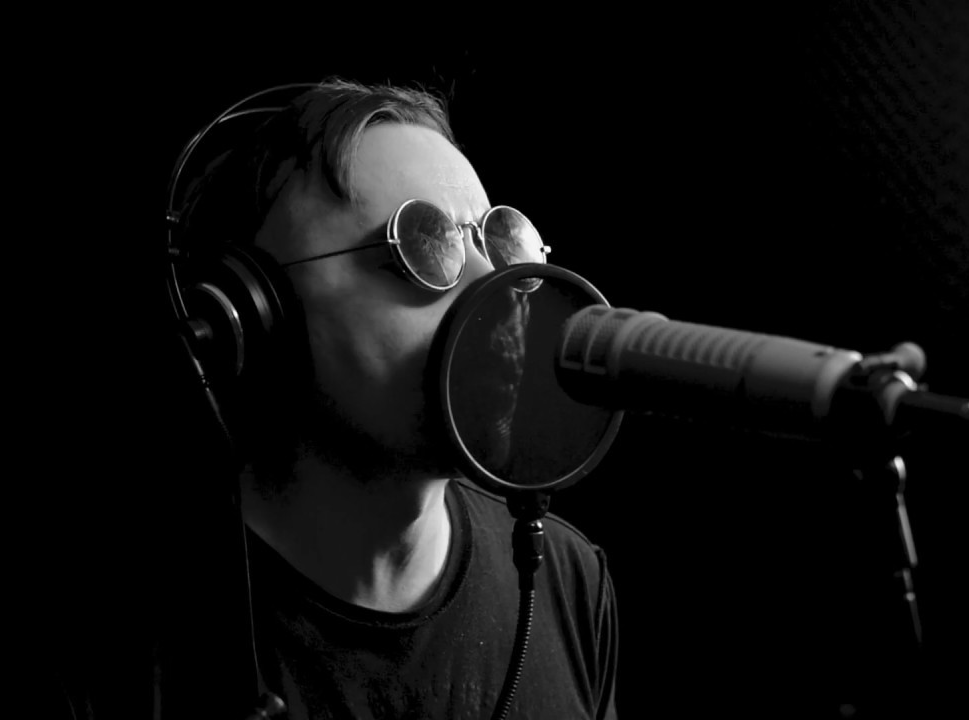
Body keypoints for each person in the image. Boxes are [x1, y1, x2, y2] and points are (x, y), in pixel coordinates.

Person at [63, 78, 618, 719]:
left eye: (499, 243)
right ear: (255, 315)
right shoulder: (111, 639)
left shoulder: (569, 581)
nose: (493, 283)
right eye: (423, 245)